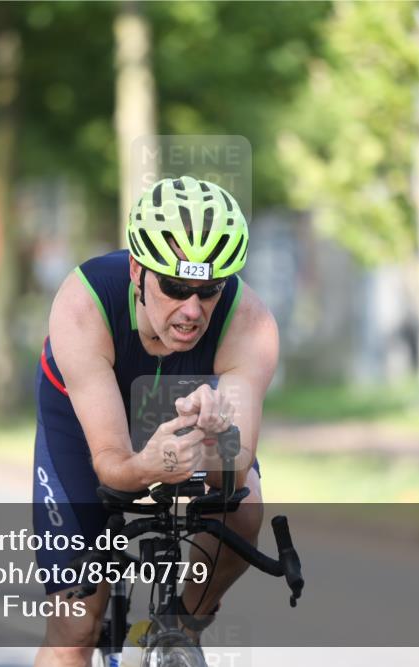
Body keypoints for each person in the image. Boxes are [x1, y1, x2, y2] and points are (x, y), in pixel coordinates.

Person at [32, 176, 279, 667]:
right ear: (137, 271)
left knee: (245, 507)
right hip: (84, 422)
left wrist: (219, 438)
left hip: (180, 413)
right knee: (76, 626)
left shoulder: (250, 324)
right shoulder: (83, 304)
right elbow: (110, 464)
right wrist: (145, 466)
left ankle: (181, 630)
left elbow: (234, 475)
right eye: (174, 287)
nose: (192, 310)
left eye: (209, 291)